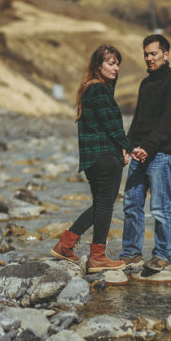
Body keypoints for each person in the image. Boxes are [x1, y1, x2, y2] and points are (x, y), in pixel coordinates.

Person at [51, 44, 130, 272]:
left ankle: (65, 244)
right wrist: (127, 148)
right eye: (111, 63)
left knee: (99, 205)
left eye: (117, 64)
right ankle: (97, 257)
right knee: (105, 206)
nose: (116, 68)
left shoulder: (89, 89)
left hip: (93, 159)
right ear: (99, 65)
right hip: (105, 158)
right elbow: (113, 126)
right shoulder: (99, 90)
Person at [121, 33, 171, 273]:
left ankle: (162, 254)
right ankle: (131, 253)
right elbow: (138, 121)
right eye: (146, 54)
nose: (149, 58)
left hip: (161, 154)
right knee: (131, 204)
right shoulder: (145, 84)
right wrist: (127, 147)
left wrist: (147, 147)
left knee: (160, 207)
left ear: (166, 55)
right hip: (139, 153)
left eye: (154, 53)